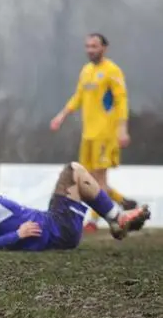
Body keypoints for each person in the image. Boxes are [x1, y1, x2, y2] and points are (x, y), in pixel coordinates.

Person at [0, 162, 150, 251]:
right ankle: (116, 218)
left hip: (55, 226)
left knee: (75, 173)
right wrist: (18, 235)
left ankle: (115, 218)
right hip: (58, 229)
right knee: (73, 170)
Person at [50, 33, 139, 232]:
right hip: (88, 135)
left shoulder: (112, 70)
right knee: (87, 179)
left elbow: (121, 100)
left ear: (104, 48)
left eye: (94, 46)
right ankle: (122, 201)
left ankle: (93, 220)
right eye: (87, 46)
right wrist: (61, 116)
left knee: (99, 180)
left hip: (105, 134)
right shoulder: (86, 71)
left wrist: (122, 129)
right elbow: (78, 96)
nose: (90, 50)